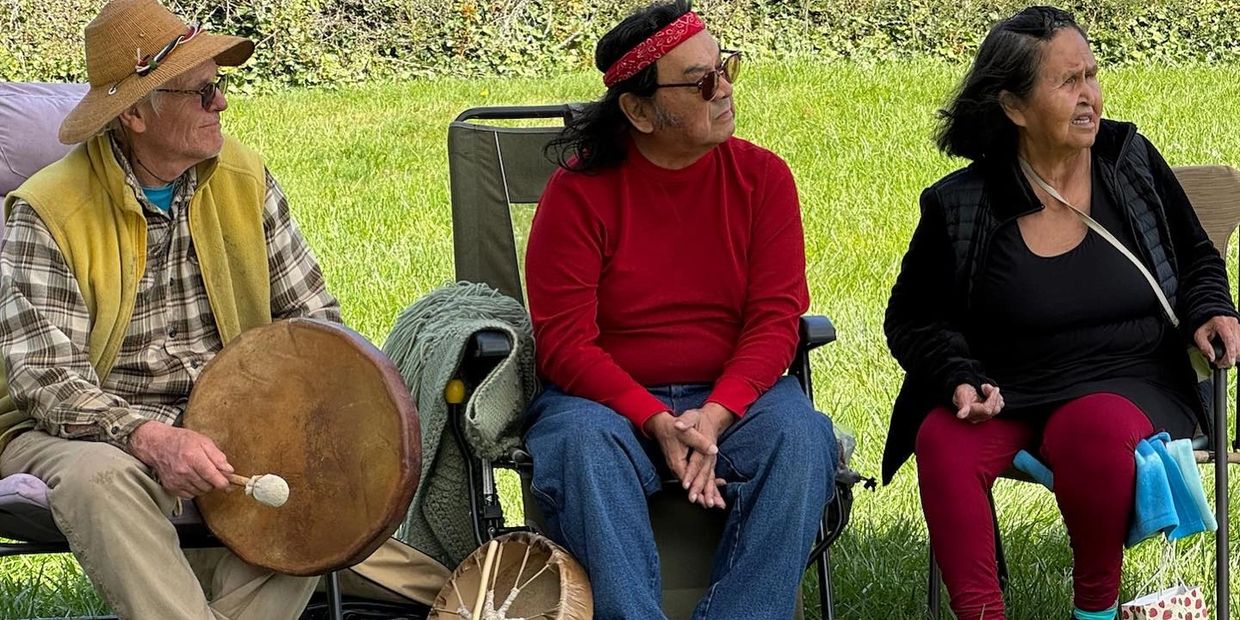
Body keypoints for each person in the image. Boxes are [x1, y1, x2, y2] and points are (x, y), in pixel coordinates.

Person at [882, 6, 1240, 620]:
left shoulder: (1128, 164)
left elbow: (1197, 257)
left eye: (1091, 76)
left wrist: (1211, 308)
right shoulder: (961, 204)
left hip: (1131, 381)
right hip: (1010, 388)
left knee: (1090, 429)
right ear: (1014, 107)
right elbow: (913, 318)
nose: (1089, 97)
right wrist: (959, 376)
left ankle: (1094, 611)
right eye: (1067, 82)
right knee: (941, 436)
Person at [0, 0, 340, 618]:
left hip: (227, 424)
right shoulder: (48, 209)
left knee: (317, 493)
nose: (222, 105)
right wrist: (149, 437)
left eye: (221, 86)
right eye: (202, 91)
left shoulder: (244, 178)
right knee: (101, 482)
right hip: (79, 431)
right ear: (134, 111)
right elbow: (47, 381)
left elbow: (312, 325)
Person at [521, 1, 837, 618]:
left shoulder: (763, 179)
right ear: (639, 111)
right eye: (700, 81)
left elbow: (775, 321)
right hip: (605, 400)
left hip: (735, 399)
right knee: (581, 444)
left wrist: (715, 415)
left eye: (725, 68)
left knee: (801, 438)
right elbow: (563, 344)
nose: (723, 90)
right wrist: (653, 419)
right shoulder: (579, 192)